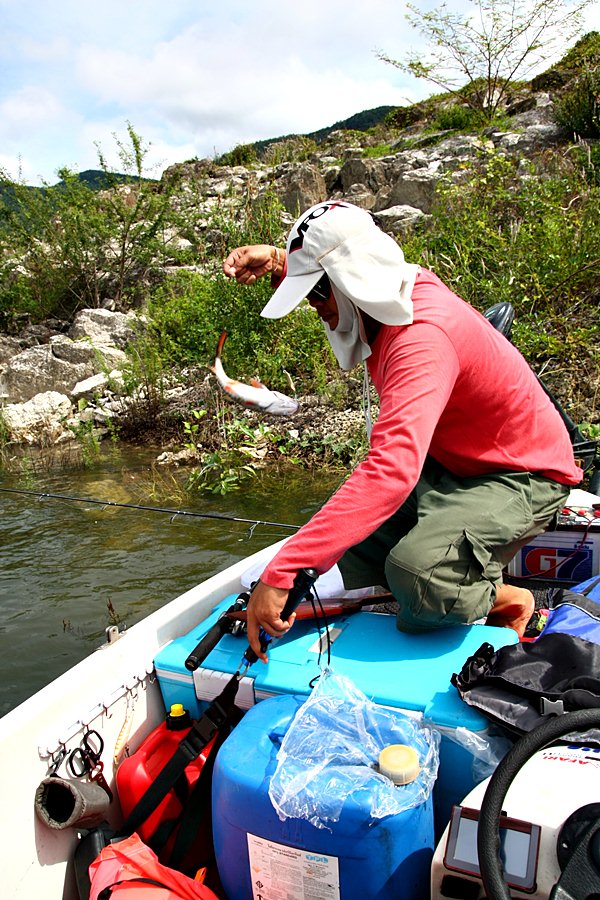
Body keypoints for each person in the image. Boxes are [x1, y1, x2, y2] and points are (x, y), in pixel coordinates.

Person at [223, 200, 583, 661]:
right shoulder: (387, 287)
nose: (315, 309)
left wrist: (284, 571)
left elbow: (391, 471)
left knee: (418, 577)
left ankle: (512, 600)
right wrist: (282, 262)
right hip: (450, 459)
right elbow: (344, 263)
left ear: (351, 279)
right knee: (344, 547)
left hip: (519, 473)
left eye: (316, 294)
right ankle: (439, 567)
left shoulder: (421, 337)